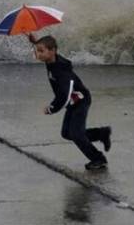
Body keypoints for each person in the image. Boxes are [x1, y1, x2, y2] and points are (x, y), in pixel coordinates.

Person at [29, 33, 112, 170]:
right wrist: (34, 42)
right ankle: (102, 133)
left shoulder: (60, 70)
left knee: (77, 135)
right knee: (67, 133)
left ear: (53, 51)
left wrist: (52, 108)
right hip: (73, 103)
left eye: (41, 51)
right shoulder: (51, 60)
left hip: (80, 101)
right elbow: (45, 50)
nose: (38, 54)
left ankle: (98, 159)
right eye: (37, 51)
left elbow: (64, 95)